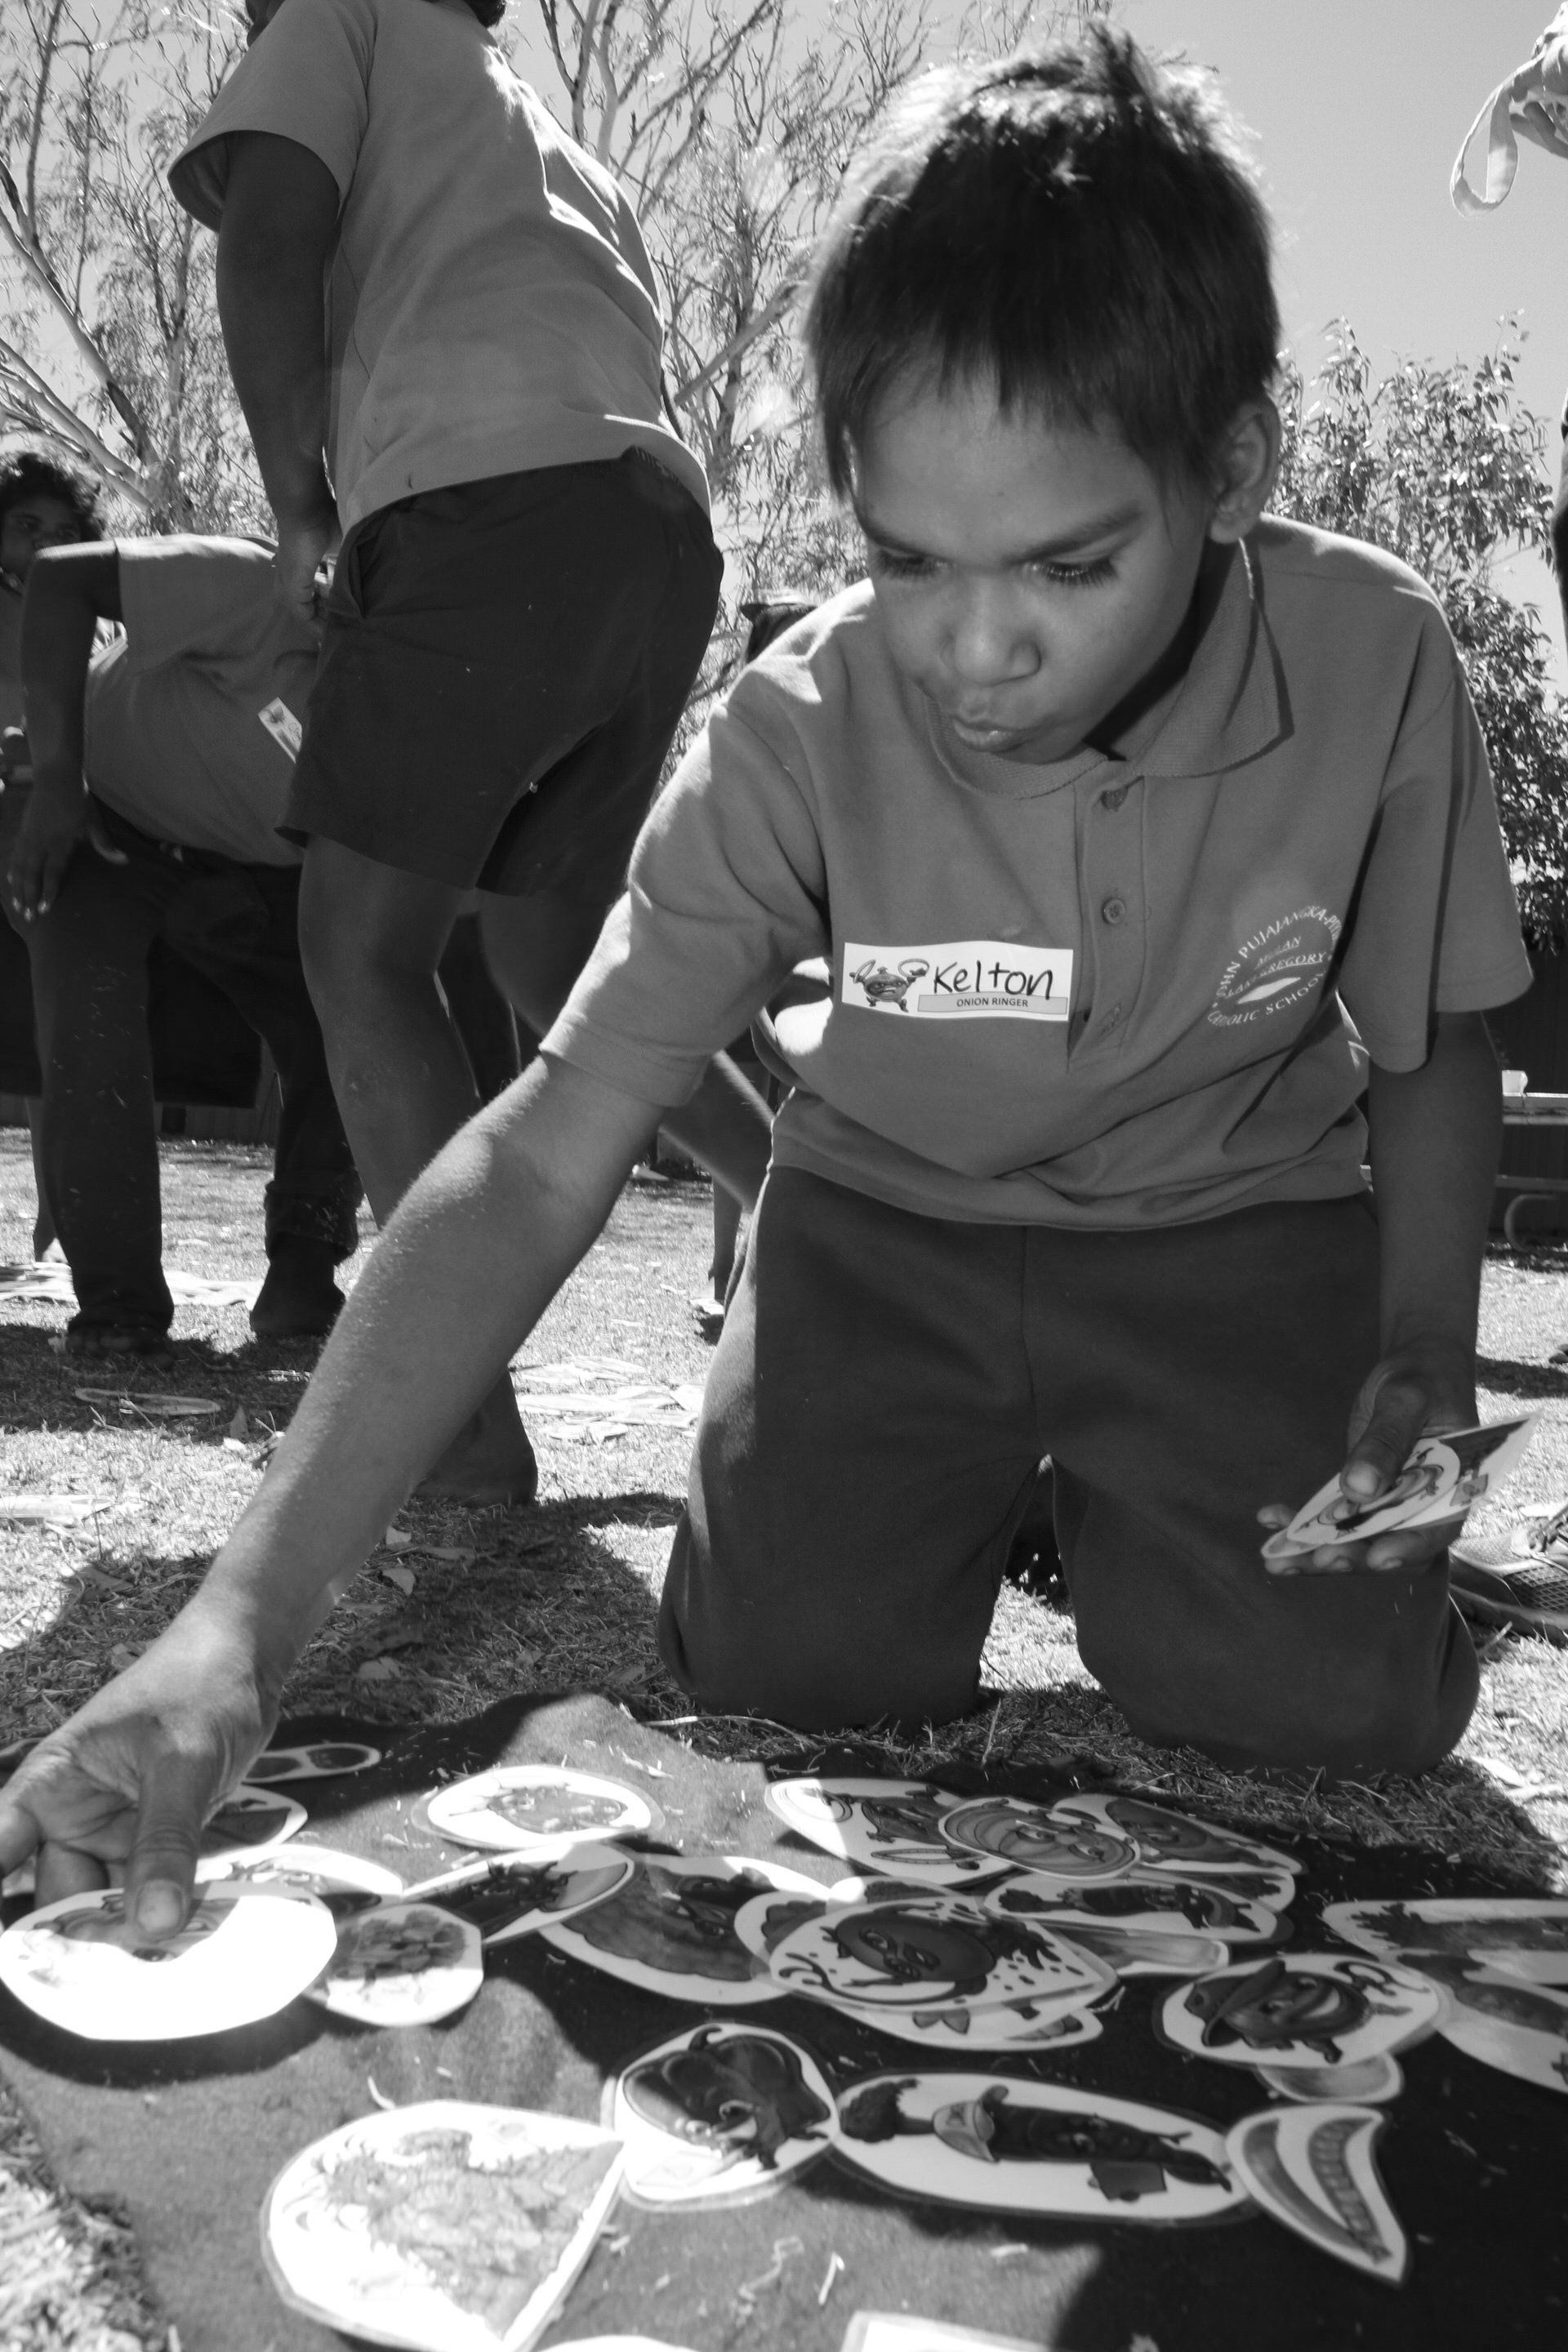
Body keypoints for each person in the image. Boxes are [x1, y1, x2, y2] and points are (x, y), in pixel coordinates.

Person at [0, 28, 1535, 1939]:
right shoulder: (796, 725)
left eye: (1068, 564)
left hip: (1240, 1228)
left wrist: (1420, 1347)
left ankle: (1219, 1526)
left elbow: (1430, 1049)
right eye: (906, 559)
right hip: (878, 1235)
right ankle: (1003, 1480)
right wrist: (236, 1624)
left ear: (1231, 465)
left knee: (1326, 1707)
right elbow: (543, 1143)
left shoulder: (1377, 658)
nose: (977, 649)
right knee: (778, 1691)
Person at [163, 0, 770, 1499]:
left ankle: (460, 1434)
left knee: (363, 952)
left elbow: (268, 234)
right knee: (563, 973)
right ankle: (831, 1215)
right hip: (647, 538)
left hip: (476, 507)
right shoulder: (536, 124)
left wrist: (299, 503)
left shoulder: (339, 19)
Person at [2, 533, 362, 1350]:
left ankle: (303, 1278)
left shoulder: (430, 742)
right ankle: (120, 1308)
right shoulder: (260, 587)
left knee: (358, 1008)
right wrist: (59, 785)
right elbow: (60, 582)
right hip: (98, 816)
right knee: (94, 1004)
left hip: (247, 870)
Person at [0, 452, 105, 1258]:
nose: (42, 546)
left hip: (54, 823)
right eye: (27, 526)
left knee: (51, 1017)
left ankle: (59, 1211)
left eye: (64, 533)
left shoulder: (94, 623)